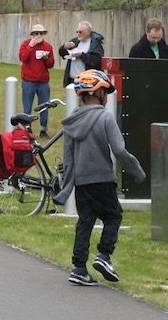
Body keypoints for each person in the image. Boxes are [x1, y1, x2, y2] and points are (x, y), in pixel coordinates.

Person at [52, 69, 145, 286]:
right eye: (106, 92)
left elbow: (68, 159)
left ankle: (78, 268)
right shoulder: (105, 117)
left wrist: (67, 188)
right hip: (102, 179)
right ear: (99, 93)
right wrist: (137, 171)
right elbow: (120, 151)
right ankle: (104, 256)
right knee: (113, 217)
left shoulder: (71, 121)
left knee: (85, 221)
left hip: (82, 182)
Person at [18, 24, 55, 139]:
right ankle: (27, 130)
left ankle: (43, 130)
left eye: (41, 33)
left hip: (43, 82)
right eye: (36, 33)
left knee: (44, 106)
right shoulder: (26, 44)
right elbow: (23, 58)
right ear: (32, 35)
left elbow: (51, 64)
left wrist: (46, 58)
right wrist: (31, 46)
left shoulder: (48, 46)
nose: (38, 36)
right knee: (27, 107)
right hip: (29, 81)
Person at [58, 21, 104, 87]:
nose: (78, 34)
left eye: (80, 32)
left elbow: (96, 62)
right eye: (77, 32)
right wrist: (64, 47)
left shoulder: (95, 44)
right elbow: (63, 54)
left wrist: (81, 55)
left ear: (88, 32)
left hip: (88, 80)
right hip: (72, 80)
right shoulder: (75, 41)